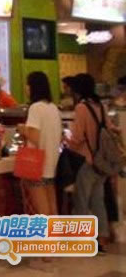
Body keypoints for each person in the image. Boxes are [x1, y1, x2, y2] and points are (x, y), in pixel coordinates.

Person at [68, 73, 119, 252]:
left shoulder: (81, 108)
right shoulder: (101, 106)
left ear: (78, 89)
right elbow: (110, 128)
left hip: (87, 161)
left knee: (81, 200)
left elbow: (77, 137)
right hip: (102, 163)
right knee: (98, 201)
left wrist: (64, 140)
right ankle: (102, 238)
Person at [17, 72, 62, 216]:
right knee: (52, 207)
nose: (26, 87)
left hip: (36, 164)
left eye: (28, 84)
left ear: (33, 87)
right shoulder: (53, 107)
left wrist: (22, 129)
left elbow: (35, 137)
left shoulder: (35, 108)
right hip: (51, 162)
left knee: (42, 210)